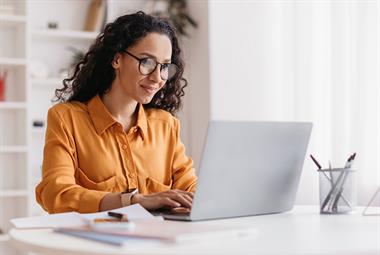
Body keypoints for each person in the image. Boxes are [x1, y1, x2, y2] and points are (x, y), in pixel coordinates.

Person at [35, 11, 197, 214]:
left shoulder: (166, 125)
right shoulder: (67, 119)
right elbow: (55, 194)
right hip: (96, 243)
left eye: (164, 66)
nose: (158, 77)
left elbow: (190, 190)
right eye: (147, 62)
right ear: (117, 59)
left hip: (159, 241)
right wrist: (133, 201)